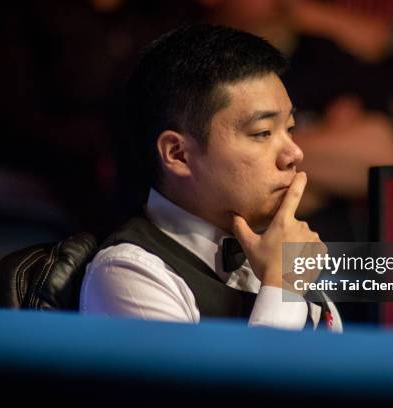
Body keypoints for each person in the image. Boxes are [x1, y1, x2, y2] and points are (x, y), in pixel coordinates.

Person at [80, 24, 342, 331]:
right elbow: (235, 382)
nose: (294, 153)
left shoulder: (288, 248)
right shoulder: (128, 273)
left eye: (291, 128)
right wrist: (283, 284)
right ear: (178, 154)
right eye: (263, 133)